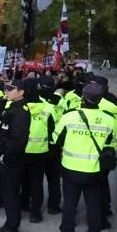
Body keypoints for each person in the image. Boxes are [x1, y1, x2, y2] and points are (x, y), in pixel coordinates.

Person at [53, 82, 116, 232]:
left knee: (70, 204)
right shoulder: (109, 119)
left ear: (82, 97)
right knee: (93, 204)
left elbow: (56, 139)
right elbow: (110, 145)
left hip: (71, 167)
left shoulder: (69, 116)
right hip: (95, 170)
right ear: (101, 99)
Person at [0, 79, 31, 232]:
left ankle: (12, 229)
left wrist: (5, 156)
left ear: (21, 92)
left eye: (10, 89)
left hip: (11, 160)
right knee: (7, 193)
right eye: (6, 88)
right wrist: (3, 98)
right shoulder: (13, 107)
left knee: (11, 195)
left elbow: (18, 140)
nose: (7, 90)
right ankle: (9, 224)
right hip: (6, 157)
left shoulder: (21, 111)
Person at [88, 74, 117, 230]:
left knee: (96, 189)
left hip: (99, 149)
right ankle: (106, 210)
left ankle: (100, 220)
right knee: (103, 184)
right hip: (110, 150)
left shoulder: (102, 105)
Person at [21, 79, 54, 224]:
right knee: (37, 183)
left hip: (21, 151)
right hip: (40, 152)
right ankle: (35, 213)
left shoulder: (18, 106)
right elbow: (52, 130)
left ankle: (23, 205)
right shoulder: (47, 108)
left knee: (21, 181)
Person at [38, 76, 65, 215]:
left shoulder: (38, 101)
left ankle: (35, 206)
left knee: (37, 179)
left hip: (39, 144)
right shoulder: (61, 101)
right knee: (54, 179)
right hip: (55, 144)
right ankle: (53, 206)